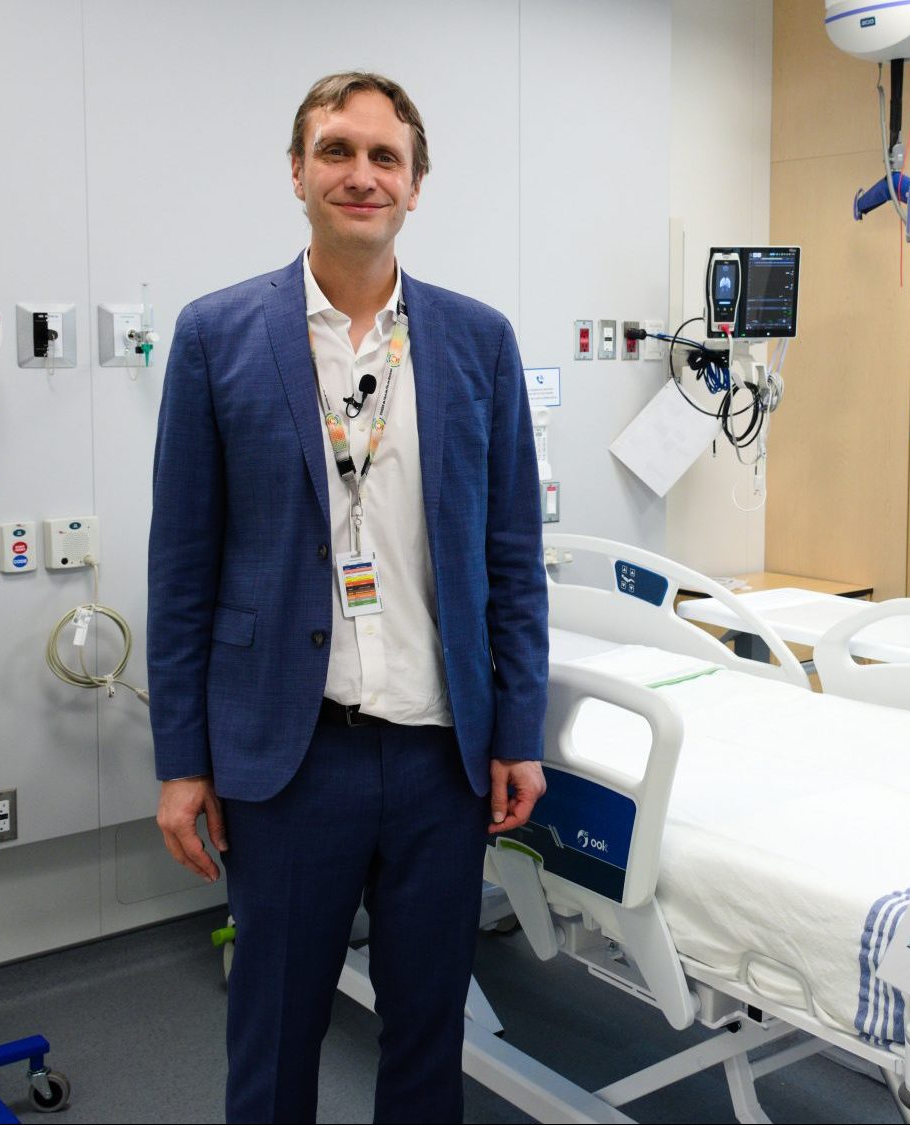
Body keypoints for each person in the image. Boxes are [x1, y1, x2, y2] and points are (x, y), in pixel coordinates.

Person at [146, 71, 549, 1124]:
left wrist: (518, 730)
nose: (359, 175)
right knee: (275, 1033)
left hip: (437, 757)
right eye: (336, 152)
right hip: (288, 759)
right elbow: (181, 568)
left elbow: (511, 556)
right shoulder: (217, 336)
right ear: (296, 173)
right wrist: (183, 761)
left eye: (384, 157)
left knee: (426, 1034)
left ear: (416, 186)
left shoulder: (478, 342)